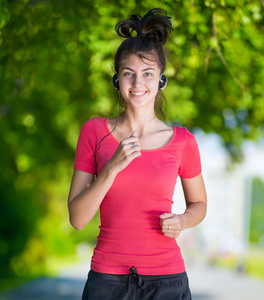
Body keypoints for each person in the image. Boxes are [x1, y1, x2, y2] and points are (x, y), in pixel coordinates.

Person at [68, 8, 207, 300]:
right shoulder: (94, 132)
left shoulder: (182, 141)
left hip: (167, 281)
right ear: (117, 80)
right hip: (107, 281)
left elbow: (199, 204)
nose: (138, 83)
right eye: (128, 74)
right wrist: (111, 168)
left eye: (148, 74)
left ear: (161, 80)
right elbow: (78, 218)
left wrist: (182, 221)